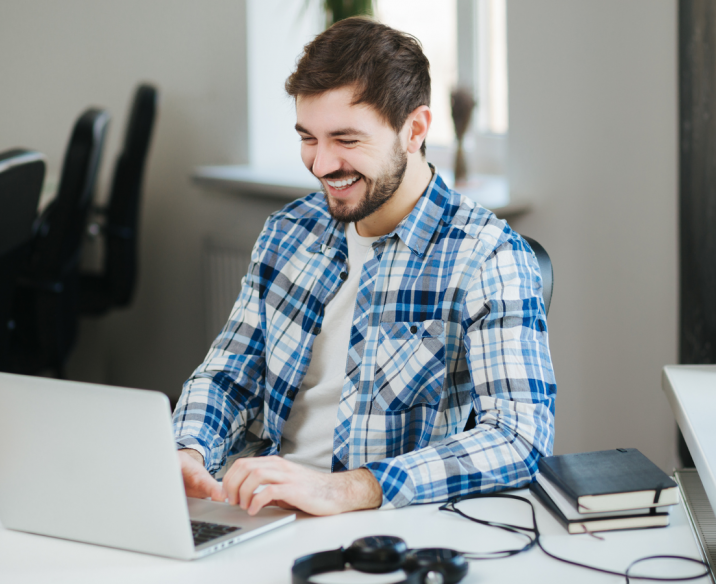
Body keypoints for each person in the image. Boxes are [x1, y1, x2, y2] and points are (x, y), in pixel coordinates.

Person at [173, 16, 556, 517]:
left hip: (383, 527)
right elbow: (229, 376)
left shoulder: (488, 256)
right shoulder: (288, 232)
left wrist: (345, 489)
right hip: (257, 510)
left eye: (346, 140)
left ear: (414, 130)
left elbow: (519, 439)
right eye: (308, 137)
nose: (322, 164)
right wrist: (189, 448)